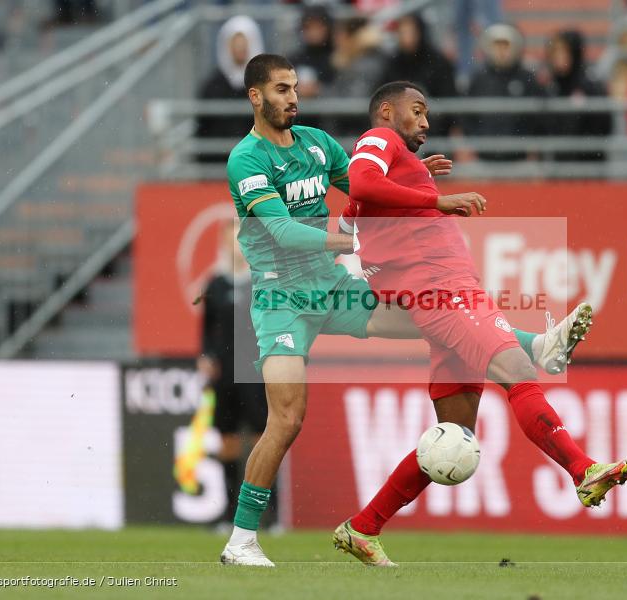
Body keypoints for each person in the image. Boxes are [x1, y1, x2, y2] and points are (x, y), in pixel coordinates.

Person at [219, 54, 586, 567]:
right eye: (281, 89)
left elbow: (369, 190)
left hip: (331, 287)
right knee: (287, 417)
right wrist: (346, 242)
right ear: (256, 96)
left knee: (434, 312)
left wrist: (412, 176)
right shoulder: (246, 160)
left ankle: (538, 347)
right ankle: (241, 541)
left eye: (296, 87)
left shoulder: (318, 145)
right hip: (281, 299)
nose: (293, 98)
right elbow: (280, 232)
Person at [332, 81, 627, 566]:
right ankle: (583, 468)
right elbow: (364, 182)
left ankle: (363, 527)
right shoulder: (380, 139)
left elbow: (351, 221)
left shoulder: (397, 160)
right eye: (418, 111)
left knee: (452, 438)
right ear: (388, 112)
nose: (427, 122)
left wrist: (412, 178)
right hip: (441, 289)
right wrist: (436, 199)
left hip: (433, 294)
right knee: (519, 373)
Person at [198, 221, 271, 531]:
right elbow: (206, 329)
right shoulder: (214, 284)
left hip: (254, 372)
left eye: (239, 241)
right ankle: (229, 513)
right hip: (225, 375)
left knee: (262, 442)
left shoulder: (261, 280)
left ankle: (268, 516)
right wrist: (205, 357)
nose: (235, 247)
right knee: (227, 442)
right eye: (229, 242)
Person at [466, 23, 545, 162]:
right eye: (497, 46)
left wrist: (527, 140)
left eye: (506, 46)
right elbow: (467, 114)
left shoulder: (526, 78)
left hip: (520, 159)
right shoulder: (479, 79)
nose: (501, 51)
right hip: (484, 159)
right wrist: (476, 140)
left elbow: (538, 115)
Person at [196, 15, 264, 164]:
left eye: (244, 42)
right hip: (219, 168)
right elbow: (204, 129)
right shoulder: (212, 85)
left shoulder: (264, 84)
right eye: (235, 43)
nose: (240, 48)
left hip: (257, 167)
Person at [380, 13, 458, 137]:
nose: (407, 38)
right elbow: (383, 94)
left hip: (434, 130)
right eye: (402, 32)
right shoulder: (393, 62)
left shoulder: (437, 61)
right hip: (399, 132)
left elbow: (449, 98)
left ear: (419, 32)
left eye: (410, 32)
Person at [544, 30, 613, 163]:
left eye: (564, 52)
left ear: (574, 54)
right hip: (559, 164)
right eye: (555, 53)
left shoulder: (590, 85)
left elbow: (604, 125)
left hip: (588, 165)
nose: (559, 58)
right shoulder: (549, 87)